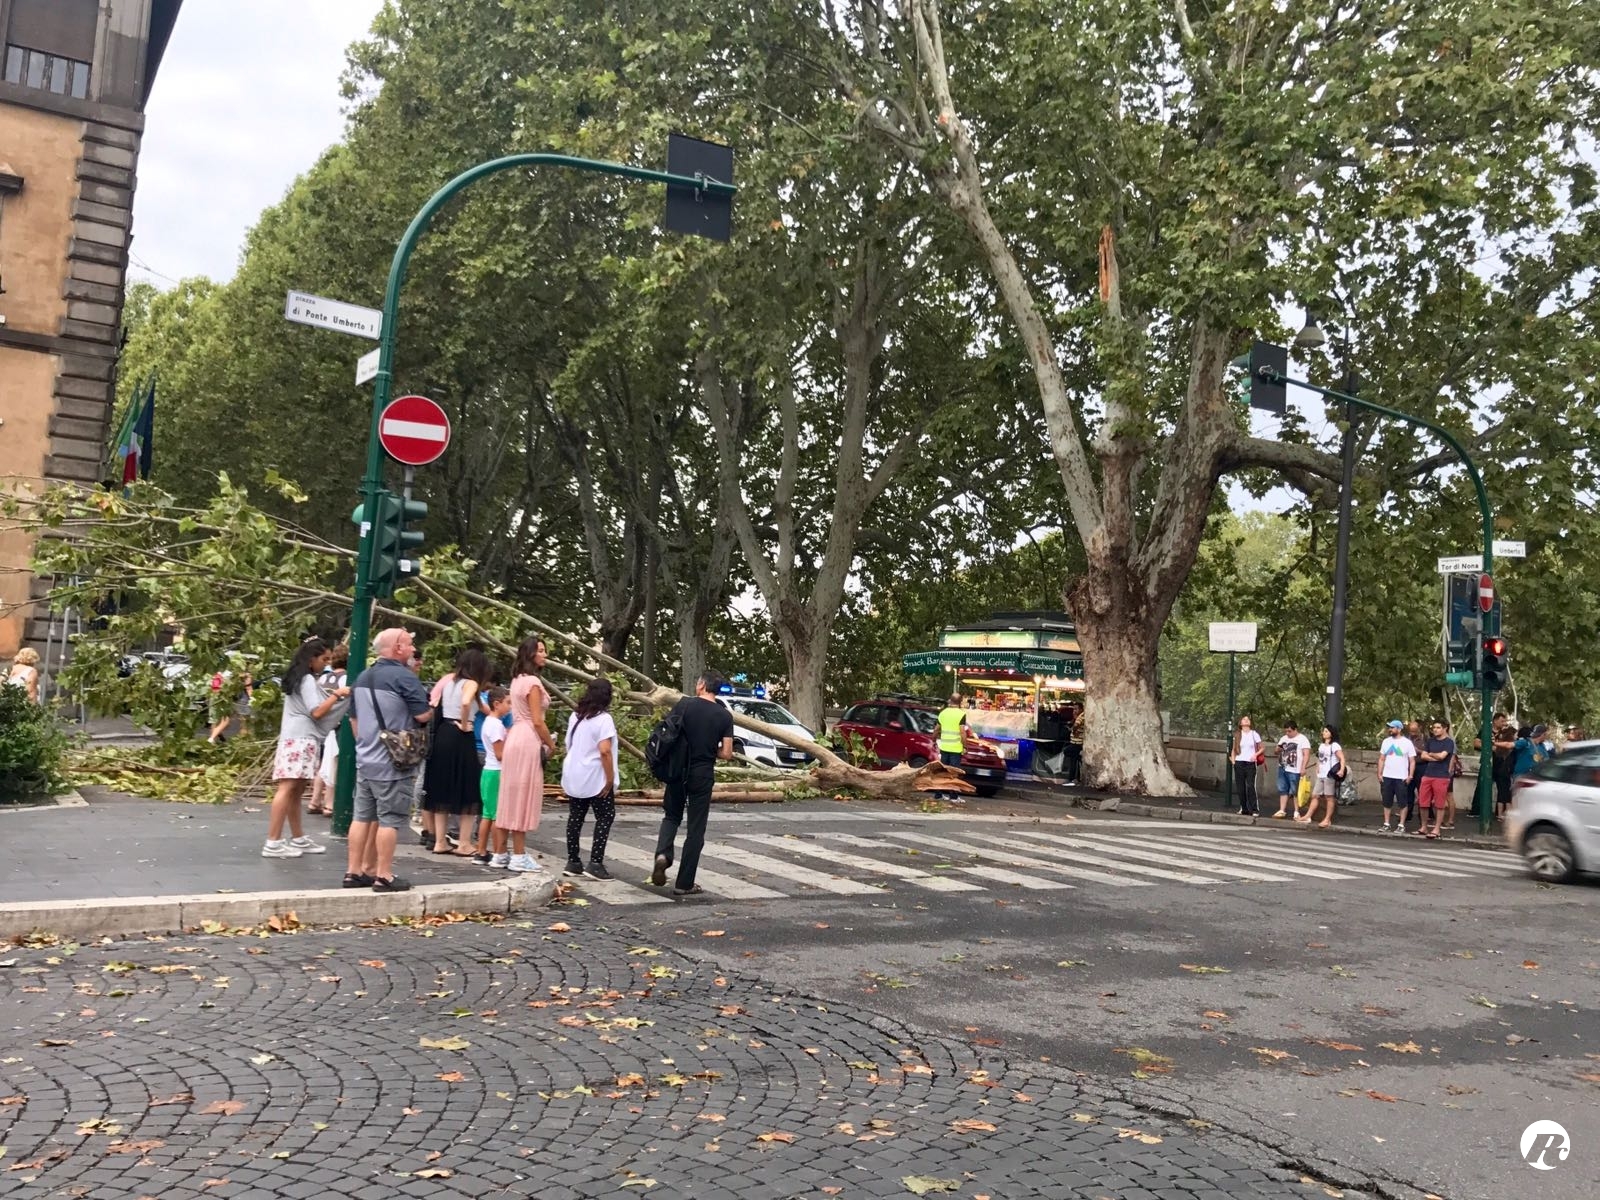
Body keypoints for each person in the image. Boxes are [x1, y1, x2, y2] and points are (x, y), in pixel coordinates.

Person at [346, 627, 433, 892]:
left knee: (361, 817)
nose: (412, 650)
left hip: (366, 759)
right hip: (394, 762)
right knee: (390, 819)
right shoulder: (404, 677)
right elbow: (422, 716)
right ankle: (383, 875)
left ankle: (353, 872)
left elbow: (354, 720)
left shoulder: (363, 677)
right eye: (409, 644)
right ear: (397, 648)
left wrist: (366, 745)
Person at [652, 669, 735, 897]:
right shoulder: (724, 716)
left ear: (701, 685)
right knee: (696, 829)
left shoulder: (684, 705)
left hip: (678, 770)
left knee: (671, 816)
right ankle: (684, 883)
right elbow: (727, 753)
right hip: (702, 773)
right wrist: (710, 749)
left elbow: (668, 733)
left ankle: (663, 854)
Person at [263, 639, 350, 858]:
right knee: (288, 788)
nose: (326, 663)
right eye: (324, 659)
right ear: (311, 659)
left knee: (296, 790)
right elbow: (317, 711)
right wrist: (337, 694)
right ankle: (273, 841)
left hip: (296, 737)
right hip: (301, 738)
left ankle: (298, 837)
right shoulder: (308, 679)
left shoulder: (299, 678)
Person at [421, 646, 490, 856]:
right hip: (461, 736)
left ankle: (440, 841)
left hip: (443, 734)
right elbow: (466, 702)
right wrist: (465, 722)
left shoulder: (450, 682)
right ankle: (464, 843)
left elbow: (482, 707)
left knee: (442, 787)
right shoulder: (471, 683)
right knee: (468, 787)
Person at [494, 637, 555, 873]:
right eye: (541, 651)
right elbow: (538, 721)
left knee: (510, 794)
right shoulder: (532, 682)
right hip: (528, 737)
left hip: (515, 736)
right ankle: (519, 855)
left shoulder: (516, 680)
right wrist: (550, 743)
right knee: (523, 795)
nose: (544, 655)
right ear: (531, 654)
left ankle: (500, 853)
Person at [561, 678, 619, 879]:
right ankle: (595, 862)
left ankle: (573, 861)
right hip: (595, 775)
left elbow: (569, 743)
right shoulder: (604, 719)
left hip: (574, 773)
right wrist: (610, 779)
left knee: (576, 816)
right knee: (605, 816)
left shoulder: (576, 716)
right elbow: (605, 751)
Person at [307, 643, 349, 816]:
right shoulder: (346, 679)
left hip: (322, 727)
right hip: (337, 726)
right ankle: (329, 804)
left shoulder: (323, 679)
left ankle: (315, 800)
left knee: (323, 763)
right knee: (334, 763)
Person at [471, 687, 510, 865]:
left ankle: (481, 851)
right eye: (507, 702)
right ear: (496, 704)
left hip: (488, 770)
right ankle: (498, 851)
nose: (510, 707)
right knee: (496, 816)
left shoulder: (489, 722)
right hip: (496, 771)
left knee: (487, 814)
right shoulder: (496, 725)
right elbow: (500, 754)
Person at [1415, 718, 1456, 839]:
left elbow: (1442, 756)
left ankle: (1436, 829)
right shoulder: (1430, 741)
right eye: (1434, 728)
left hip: (1441, 776)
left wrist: (1431, 754)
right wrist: (1434, 757)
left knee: (1439, 804)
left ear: (1445, 728)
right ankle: (1423, 827)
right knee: (1423, 802)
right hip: (1428, 774)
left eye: (1438, 727)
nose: (1435, 730)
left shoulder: (1449, 742)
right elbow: (1423, 755)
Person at [1377, 720, 1417, 833]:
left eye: (1392, 727)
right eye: (1389, 727)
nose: (1390, 729)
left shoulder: (1407, 743)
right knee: (1386, 801)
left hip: (1401, 777)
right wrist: (1379, 773)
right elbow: (1381, 759)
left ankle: (1401, 825)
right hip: (1387, 776)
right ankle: (1386, 823)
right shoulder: (1386, 742)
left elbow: (1412, 761)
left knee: (1402, 801)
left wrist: (1410, 775)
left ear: (1399, 729)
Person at [1302, 725, 1345, 828]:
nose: (1324, 733)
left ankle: (1327, 819)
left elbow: (1342, 758)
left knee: (1329, 797)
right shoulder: (1321, 745)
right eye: (1324, 731)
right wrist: (1317, 767)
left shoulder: (1334, 746)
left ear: (1331, 733)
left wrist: (1341, 770)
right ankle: (1308, 816)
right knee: (1315, 795)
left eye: (1326, 731)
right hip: (1321, 774)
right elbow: (1320, 758)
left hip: (1329, 774)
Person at [936, 692, 973, 803]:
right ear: (960, 702)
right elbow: (962, 732)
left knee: (942, 771)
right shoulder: (961, 714)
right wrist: (965, 746)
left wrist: (933, 739)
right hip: (956, 749)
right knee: (954, 773)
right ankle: (953, 796)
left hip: (944, 747)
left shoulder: (943, 713)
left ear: (950, 700)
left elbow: (936, 729)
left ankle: (938, 794)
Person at [1272, 720, 1311, 819]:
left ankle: (1296, 811)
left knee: (1295, 791)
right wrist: (1278, 749)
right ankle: (1282, 810)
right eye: (1286, 731)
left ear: (1295, 729)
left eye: (1289, 731)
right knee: (1283, 789)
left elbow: (1306, 754)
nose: (1287, 733)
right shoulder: (1283, 738)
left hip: (1295, 769)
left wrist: (1303, 767)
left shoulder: (1302, 739)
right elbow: (1276, 751)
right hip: (1283, 767)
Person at [1231, 715, 1262, 816]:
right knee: (1240, 787)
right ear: (1240, 723)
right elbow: (1233, 749)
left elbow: (1261, 747)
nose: (1246, 720)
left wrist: (1255, 755)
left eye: (1248, 719)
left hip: (1250, 763)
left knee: (1250, 786)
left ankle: (1254, 809)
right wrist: (1233, 761)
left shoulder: (1254, 734)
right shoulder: (1237, 735)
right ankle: (1243, 808)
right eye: (1244, 719)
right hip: (1239, 762)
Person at [1491, 713, 1516, 822]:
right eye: (1502, 721)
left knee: (1503, 791)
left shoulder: (1500, 742)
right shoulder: (1506, 743)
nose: (1504, 724)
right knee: (1505, 791)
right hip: (1504, 768)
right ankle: (1503, 814)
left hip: (1502, 767)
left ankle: (1501, 814)